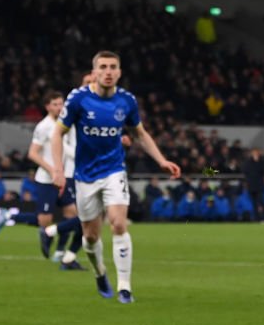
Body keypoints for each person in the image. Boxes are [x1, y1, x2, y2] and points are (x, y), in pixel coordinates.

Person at [52, 50, 181, 303]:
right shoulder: (78, 99)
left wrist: (162, 160)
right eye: (103, 67)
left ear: (119, 72)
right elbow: (57, 134)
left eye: (113, 67)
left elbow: (141, 134)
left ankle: (125, 286)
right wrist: (57, 169)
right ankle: (100, 272)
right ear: (94, 72)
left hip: (114, 170)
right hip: (85, 175)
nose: (108, 71)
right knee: (90, 236)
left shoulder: (127, 101)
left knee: (118, 224)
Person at [0, 91, 86, 269]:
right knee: (44, 221)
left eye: (61, 104)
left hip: (64, 177)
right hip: (47, 179)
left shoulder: (67, 123)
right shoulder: (44, 127)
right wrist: (51, 169)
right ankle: (10, 216)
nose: (60, 107)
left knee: (73, 214)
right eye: (55, 104)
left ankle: (60, 252)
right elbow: (32, 153)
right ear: (47, 107)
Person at [242, 147, 264, 220]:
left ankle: (263, 218)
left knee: (261, 201)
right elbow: (245, 171)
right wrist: (246, 182)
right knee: (254, 203)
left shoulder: (262, 161)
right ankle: (256, 219)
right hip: (251, 185)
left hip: (259, 186)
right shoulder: (248, 162)